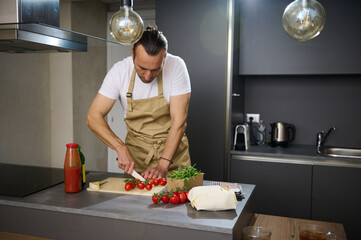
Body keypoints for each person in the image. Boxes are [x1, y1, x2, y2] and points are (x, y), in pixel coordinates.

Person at [86, 26, 191, 179]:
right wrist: (120, 147)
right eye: (142, 68)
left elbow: (179, 123)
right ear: (132, 54)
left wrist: (163, 165)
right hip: (137, 163)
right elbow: (93, 117)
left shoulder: (176, 66)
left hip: (174, 160)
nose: (148, 76)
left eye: (155, 69)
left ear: (164, 57)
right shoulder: (120, 71)